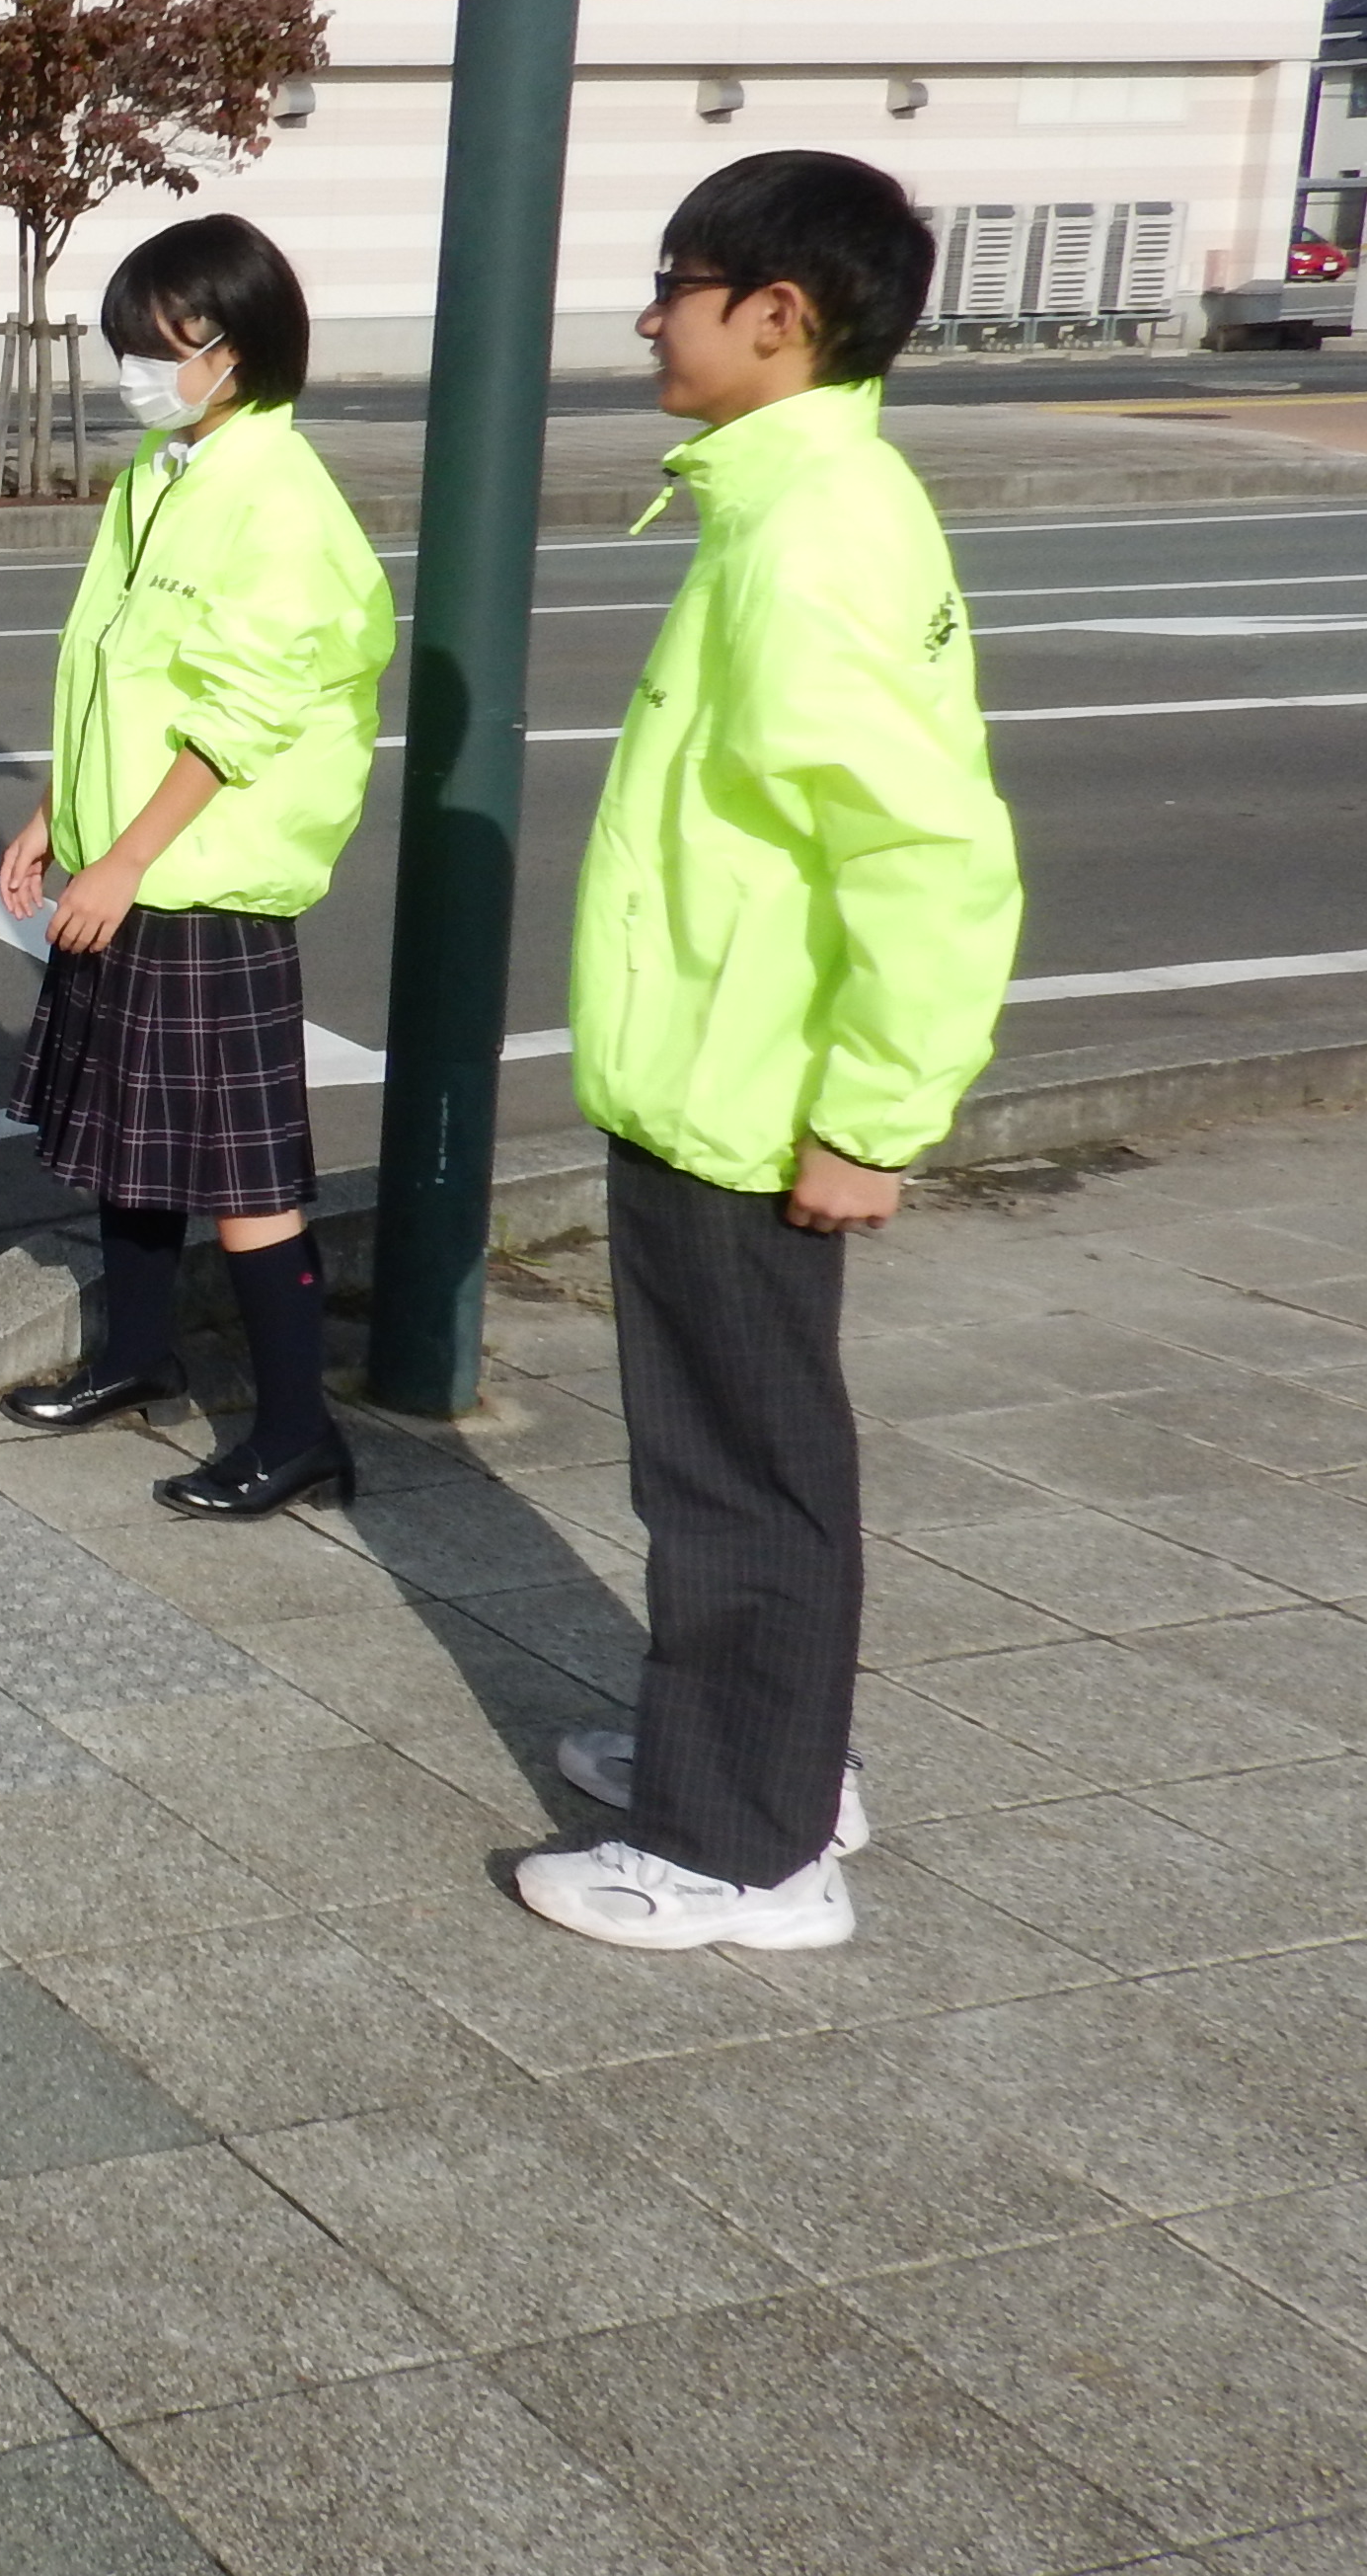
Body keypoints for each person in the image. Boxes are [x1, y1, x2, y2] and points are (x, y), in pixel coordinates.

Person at [518, 151, 1019, 1957]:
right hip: (726, 1071)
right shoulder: (811, 496)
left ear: (776, 313)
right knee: (748, 1459)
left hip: (744, 1096)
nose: (650, 316)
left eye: (677, 282)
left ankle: (742, 1852)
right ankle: (764, 1762)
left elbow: (924, 853)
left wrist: (873, 1118)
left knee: (736, 1478)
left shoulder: (807, 535)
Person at [0, 218, 396, 1517]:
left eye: (160, 348)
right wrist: (56, 814)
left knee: (244, 1180)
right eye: (127, 347)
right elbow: (114, 672)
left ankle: (297, 1431)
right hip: (134, 865)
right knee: (133, 1142)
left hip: (204, 885)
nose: (137, 373)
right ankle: (139, 1357)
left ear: (238, 346)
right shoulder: (166, 473)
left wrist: (122, 861)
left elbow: (240, 714)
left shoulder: (278, 497)